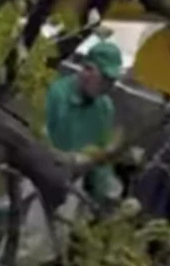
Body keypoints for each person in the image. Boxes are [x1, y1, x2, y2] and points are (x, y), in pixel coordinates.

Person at [45, 40, 124, 206]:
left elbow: (101, 156)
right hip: (40, 174)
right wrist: (67, 159)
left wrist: (105, 195)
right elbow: (35, 140)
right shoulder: (55, 94)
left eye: (112, 81)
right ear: (87, 69)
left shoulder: (105, 107)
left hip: (74, 185)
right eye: (105, 78)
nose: (108, 86)